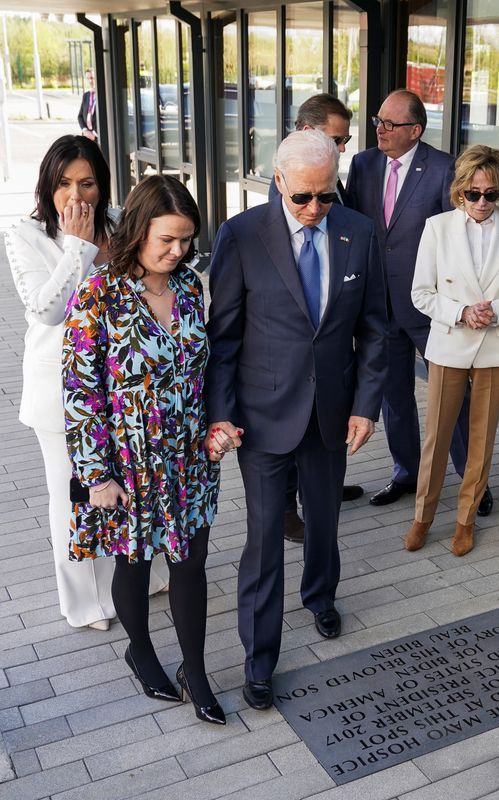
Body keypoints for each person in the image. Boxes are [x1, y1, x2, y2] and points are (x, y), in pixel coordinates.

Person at [205, 129, 387, 711]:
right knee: (263, 539)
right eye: (302, 197)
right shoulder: (240, 236)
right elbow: (225, 337)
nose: (314, 209)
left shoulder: (359, 232)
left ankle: (321, 595)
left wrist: (366, 403)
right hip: (261, 416)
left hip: (332, 409)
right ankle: (260, 660)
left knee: (326, 517)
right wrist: (223, 415)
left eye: (325, 196)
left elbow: (376, 327)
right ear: (277, 181)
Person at [62, 175, 224, 724]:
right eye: (168, 241)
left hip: (188, 458)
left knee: (191, 561)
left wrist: (218, 427)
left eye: (186, 241)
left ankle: (196, 671)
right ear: (138, 230)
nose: (178, 252)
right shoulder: (97, 293)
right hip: (128, 464)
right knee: (133, 562)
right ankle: (143, 650)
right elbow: (82, 392)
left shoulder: (188, 286)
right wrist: (96, 474)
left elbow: (206, 368)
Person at [6, 135, 167, 630]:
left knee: (128, 486)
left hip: (123, 385)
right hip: (61, 393)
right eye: (64, 183)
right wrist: (76, 247)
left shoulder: (120, 222)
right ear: (47, 185)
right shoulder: (25, 233)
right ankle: (84, 602)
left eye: (88, 182)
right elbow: (47, 309)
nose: (77, 194)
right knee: (73, 495)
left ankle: (149, 573)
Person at [345, 89, 494, 516]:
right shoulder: (363, 163)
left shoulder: (445, 168)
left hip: (434, 308)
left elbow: (463, 235)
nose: (380, 129)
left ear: (415, 130)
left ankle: (473, 482)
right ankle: (406, 473)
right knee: (393, 396)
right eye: (378, 120)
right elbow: (358, 229)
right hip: (379, 305)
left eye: (390, 124)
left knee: (455, 397)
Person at [404, 145, 499, 556]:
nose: (482, 202)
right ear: (460, 191)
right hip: (449, 345)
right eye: (473, 193)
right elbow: (420, 294)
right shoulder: (437, 227)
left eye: (491, 194)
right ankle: (422, 518)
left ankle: (465, 520)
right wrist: (462, 311)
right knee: (437, 439)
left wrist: (494, 312)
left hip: (496, 347)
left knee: (481, 440)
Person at [267, 93, 361, 543]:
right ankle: (288, 505)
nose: (313, 206)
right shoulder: (265, 221)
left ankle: (316, 490)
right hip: (276, 394)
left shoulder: (342, 212)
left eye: (344, 141)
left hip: (329, 395)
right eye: (335, 138)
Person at [78, 69, 97, 142]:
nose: (90, 81)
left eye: (92, 78)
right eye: (88, 78)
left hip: (98, 135)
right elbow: (80, 116)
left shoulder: (103, 95)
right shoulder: (86, 95)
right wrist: (85, 130)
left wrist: (94, 133)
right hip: (87, 136)